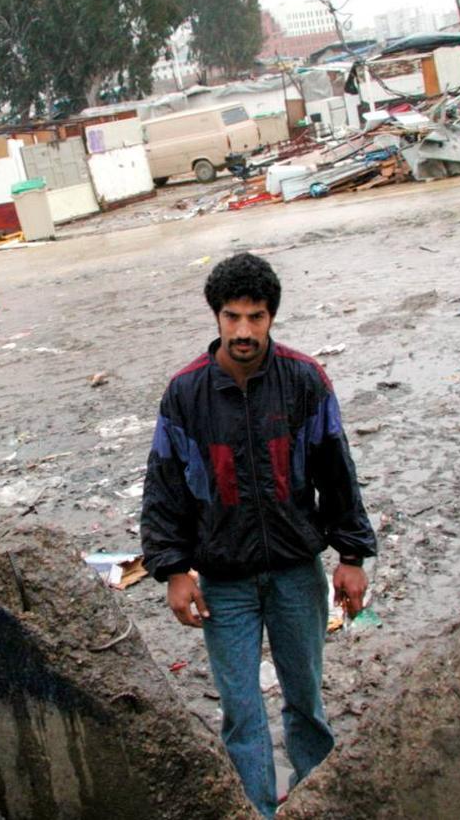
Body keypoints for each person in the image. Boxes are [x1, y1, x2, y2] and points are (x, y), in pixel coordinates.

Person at [141, 252, 377, 817]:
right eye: (232, 317)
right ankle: (257, 809)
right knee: (242, 713)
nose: (244, 331)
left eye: (256, 317)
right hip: (223, 582)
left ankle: (318, 800)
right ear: (216, 318)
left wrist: (351, 555)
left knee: (306, 702)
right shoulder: (185, 394)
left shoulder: (304, 380)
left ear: (272, 317)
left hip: (298, 572)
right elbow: (164, 487)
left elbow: (335, 471)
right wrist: (174, 571)